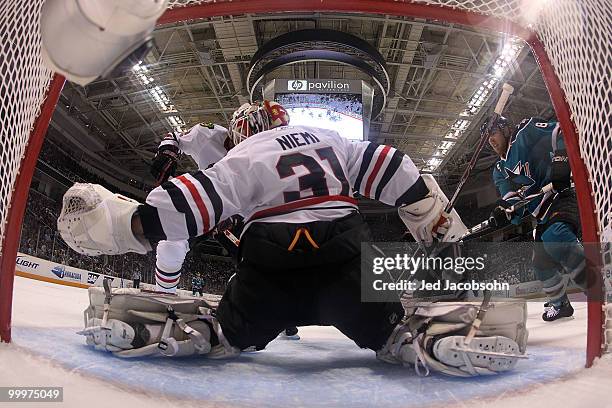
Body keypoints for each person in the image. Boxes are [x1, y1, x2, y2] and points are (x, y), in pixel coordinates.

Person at [58, 100, 527, 377]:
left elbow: (192, 205)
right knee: (391, 327)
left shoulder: (241, 155)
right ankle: (433, 337)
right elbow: (397, 170)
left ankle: (170, 328)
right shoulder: (329, 136)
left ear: (243, 131)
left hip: (269, 268)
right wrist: (443, 238)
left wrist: (124, 225)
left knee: (225, 329)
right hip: (345, 256)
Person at [484, 116, 586, 321]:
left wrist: (561, 160)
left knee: (556, 236)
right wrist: (506, 213)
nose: (491, 140)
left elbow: (561, 130)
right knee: (541, 266)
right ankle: (560, 305)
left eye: (492, 133)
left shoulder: (526, 130)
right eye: (487, 138)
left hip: (562, 194)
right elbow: (514, 204)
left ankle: (599, 288)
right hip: (541, 212)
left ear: (505, 129)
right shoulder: (499, 170)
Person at [149, 122, 232, 293]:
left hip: (246, 212)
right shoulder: (210, 135)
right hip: (211, 201)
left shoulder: (269, 155)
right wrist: (167, 152)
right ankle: (164, 294)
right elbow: (175, 137)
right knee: (171, 245)